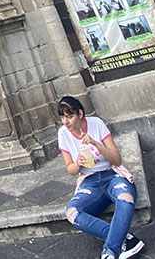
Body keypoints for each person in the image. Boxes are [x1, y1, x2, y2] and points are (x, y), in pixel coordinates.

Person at [57, 96, 144, 259]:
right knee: (72, 212)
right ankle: (124, 239)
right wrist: (78, 163)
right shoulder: (63, 134)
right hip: (90, 181)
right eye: (62, 117)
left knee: (126, 200)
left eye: (69, 116)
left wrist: (96, 144)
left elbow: (117, 159)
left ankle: (110, 252)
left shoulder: (96, 124)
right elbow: (70, 169)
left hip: (112, 175)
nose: (65, 122)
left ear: (80, 114)